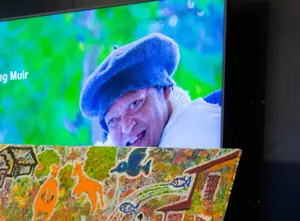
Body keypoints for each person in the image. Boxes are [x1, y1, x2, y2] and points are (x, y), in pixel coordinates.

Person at [79, 33, 222, 149]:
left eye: (135, 103)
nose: (127, 127)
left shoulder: (213, 130)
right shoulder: (103, 167)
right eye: (112, 120)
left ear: (165, 89)